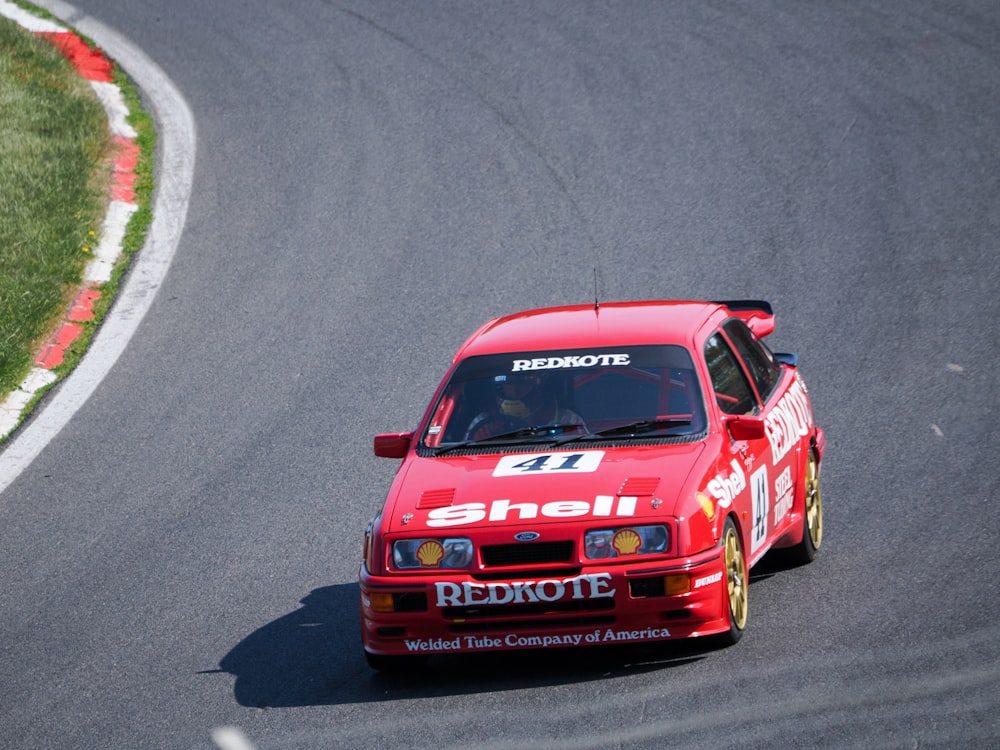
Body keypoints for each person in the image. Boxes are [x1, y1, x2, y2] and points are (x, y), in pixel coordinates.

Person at [463, 372, 586, 440]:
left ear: (537, 390)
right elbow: (467, 456)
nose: (514, 392)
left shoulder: (567, 420)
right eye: (507, 387)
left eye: (521, 386)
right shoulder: (483, 423)